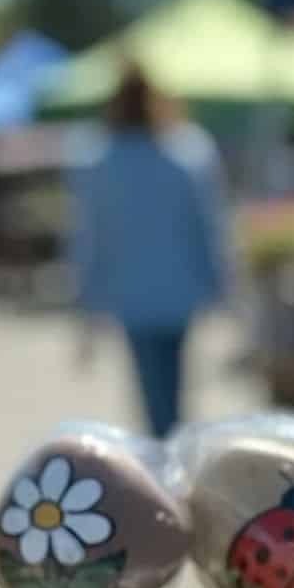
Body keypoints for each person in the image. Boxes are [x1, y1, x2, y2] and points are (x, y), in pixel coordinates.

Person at [69, 66, 232, 437]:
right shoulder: (188, 152)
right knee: (175, 393)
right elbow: (210, 228)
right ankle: (174, 459)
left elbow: (90, 240)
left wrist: (85, 310)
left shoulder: (98, 160)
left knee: (152, 397)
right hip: (181, 293)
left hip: (132, 298)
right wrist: (226, 292)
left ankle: (163, 465)